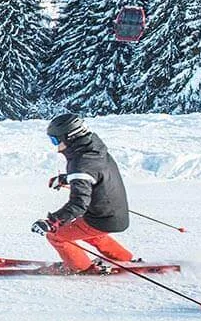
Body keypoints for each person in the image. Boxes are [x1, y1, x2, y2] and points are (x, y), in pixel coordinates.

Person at [31, 113, 136, 275]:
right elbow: (94, 174)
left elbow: (78, 204)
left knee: (56, 235)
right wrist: (67, 178)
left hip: (101, 218)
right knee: (93, 234)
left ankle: (82, 268)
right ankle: (124, 259)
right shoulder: (94, 150)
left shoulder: (80, 163)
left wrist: (52, 222)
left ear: (69, 137)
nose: (55, 146)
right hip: (115, 214)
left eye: (55, 140)